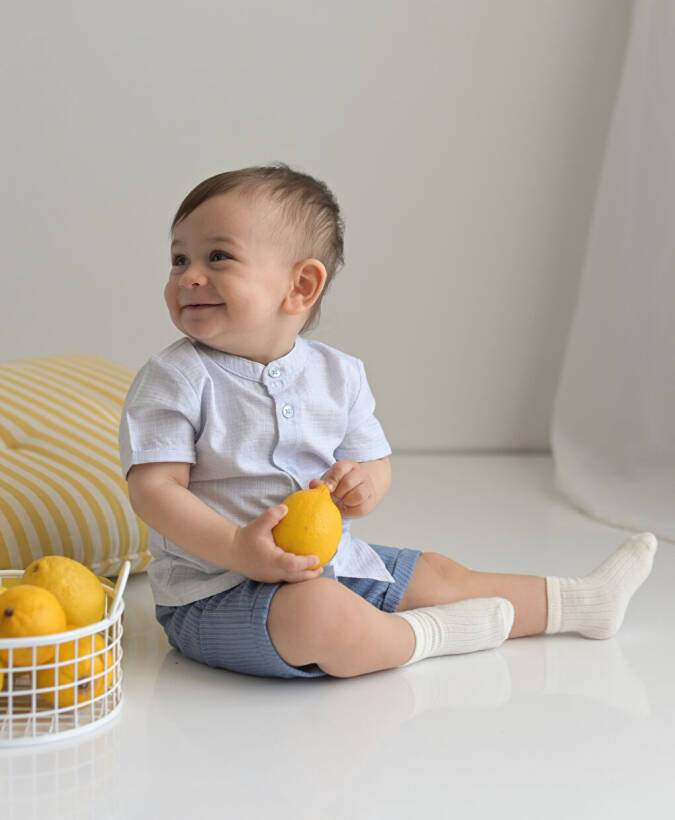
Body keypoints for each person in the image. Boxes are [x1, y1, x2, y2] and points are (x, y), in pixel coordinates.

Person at [118, 162, 658, 680]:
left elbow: (373, 461)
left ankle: (580, 602)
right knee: (318, 614)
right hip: (216, 595)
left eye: (217, 257)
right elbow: (155, 489)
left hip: (335, 561)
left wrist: (363, 485)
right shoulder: (176, 378)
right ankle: (430, 636)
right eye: (178, 258)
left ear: (301, 286)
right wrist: (238, 548)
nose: (189, 277)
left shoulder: (339, 374)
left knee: (442, 573)